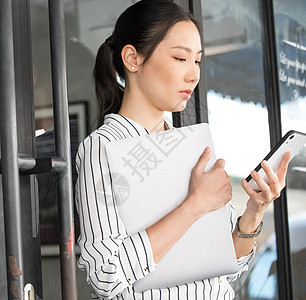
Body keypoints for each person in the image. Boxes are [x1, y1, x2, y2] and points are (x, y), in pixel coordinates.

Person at [74, 1, 291, 299]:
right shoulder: (104, 147)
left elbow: (229, 265)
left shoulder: (192, 143)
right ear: (132, 59)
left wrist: (254, 210)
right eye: (180, 58)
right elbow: (105, 276)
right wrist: (195, 204)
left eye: (197, 61)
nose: (193, 75)